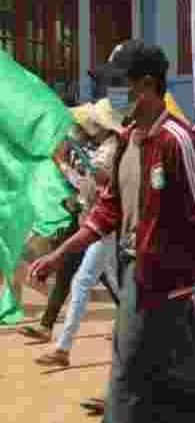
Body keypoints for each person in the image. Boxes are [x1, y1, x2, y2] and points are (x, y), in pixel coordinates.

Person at [28, 39, 195, 423]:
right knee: (190, 382)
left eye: (118, 83)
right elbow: (107, 212)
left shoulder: (178, 141)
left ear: (147, 86)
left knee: (128, 379)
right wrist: (58, 254)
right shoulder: (128, 140)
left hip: (165, 280)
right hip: (137, 273)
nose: (110, 93)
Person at [34, 102, 122, 369]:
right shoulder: (104, 148)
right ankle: (62, 346)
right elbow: (88, 185)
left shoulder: (111, 150)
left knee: (87, 282)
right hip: (97, 224)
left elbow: (101, 185)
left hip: (104, 227)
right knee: (107, 283)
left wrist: (72, 167)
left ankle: (63, 347)